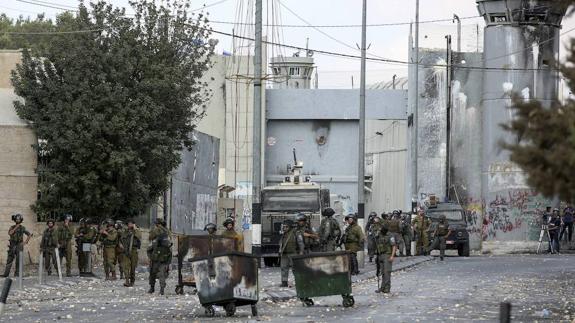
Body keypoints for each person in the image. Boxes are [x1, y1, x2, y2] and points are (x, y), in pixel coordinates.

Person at [148, 218, 172, 295]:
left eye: (157, 224)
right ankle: (153, 288)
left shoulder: (163, 231)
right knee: (154, 273)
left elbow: (150, 237)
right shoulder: (165, 231)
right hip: (157, 256)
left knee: (159, 273)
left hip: (162, 256)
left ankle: (160, 289)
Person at [279, 218, 304, 287]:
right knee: (283, 267)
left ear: (290, 227)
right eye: (283, 227)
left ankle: (298, 281)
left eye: (286, 227)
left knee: (295, 268)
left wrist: (301, 252)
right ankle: (284, 282)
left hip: (293, 253)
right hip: (284, 253)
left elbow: (300, 243)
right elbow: (281, 243)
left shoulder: (296, 233)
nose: (284, 228)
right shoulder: (283, 233)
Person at [375, 224, 397, 294]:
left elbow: (394, 246)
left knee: (387, 272)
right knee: (382, 273)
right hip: (380, 255)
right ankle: (382, 287)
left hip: (387, 255)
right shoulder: (379, 234)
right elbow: (376, 242)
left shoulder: (390, 235)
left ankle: (387, 288)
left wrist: (392, 256)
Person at [119, 219, 141, 287]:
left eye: (131, 224)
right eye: (128, 224)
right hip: (125, 251)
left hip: (133, 251)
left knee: (132, 267)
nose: (129, 225)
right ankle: (127, 281)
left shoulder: (137, 231)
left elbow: (139, 236)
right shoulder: (125, 232)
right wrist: (121, 245)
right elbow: (121, 239)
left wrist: (135, 229)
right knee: (126, 266)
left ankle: (132, 281)